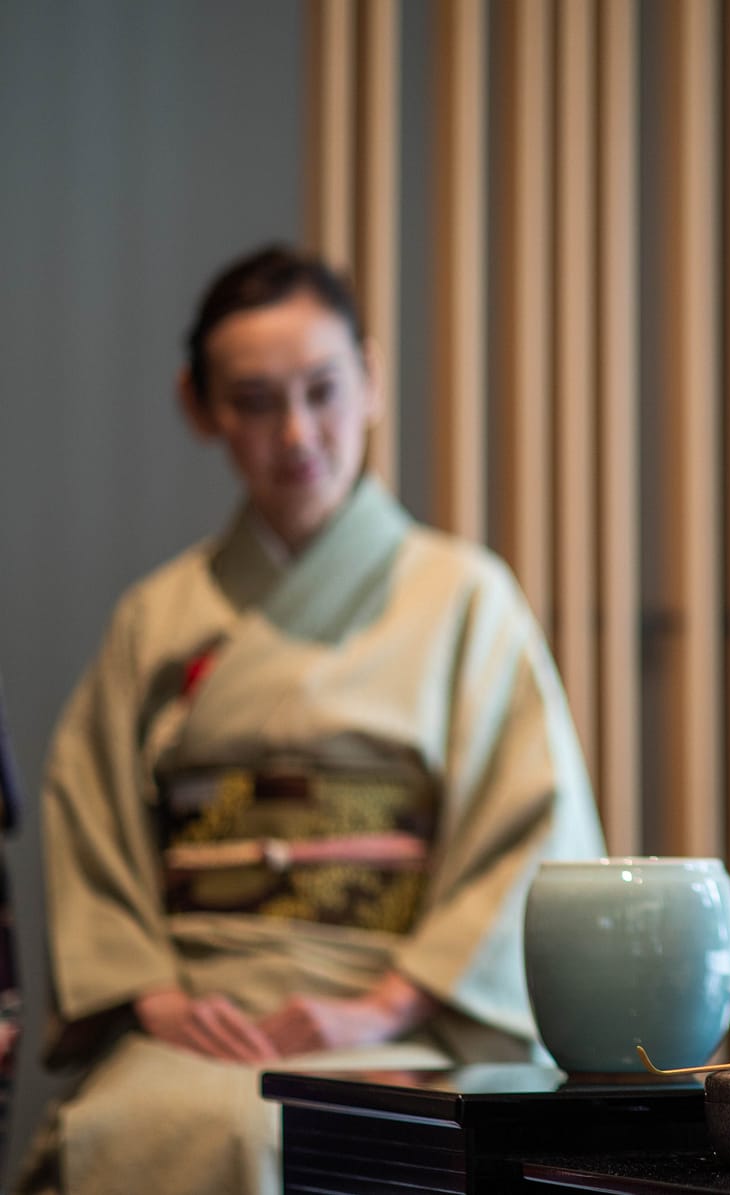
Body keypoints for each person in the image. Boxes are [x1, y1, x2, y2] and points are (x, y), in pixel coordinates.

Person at [20, 246, 606, 1195]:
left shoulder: (466, 599)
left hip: (401, 1018)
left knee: (301, 1139)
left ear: (371, 380)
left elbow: (529, 833)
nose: (297, 432)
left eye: (323, 390)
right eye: (255, 401)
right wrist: (154, 993)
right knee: (134, 1126)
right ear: (199, 405)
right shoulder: (156, 618)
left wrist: (390, 999)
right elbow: (92, 822)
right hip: (197, 1014)